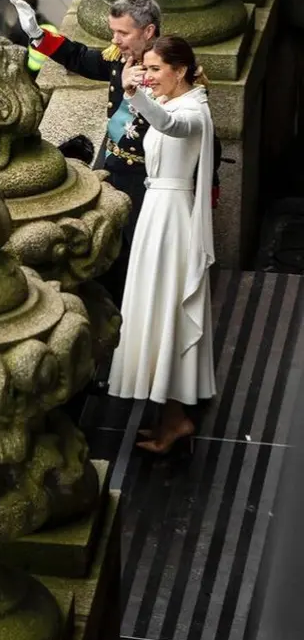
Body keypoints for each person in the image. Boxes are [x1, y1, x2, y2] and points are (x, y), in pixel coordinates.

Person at [11, 0, 160, 298]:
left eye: (123, 33)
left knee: (138, 254)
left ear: (148, 31)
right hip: (113, 164)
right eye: (113, 32)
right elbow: (82, 58)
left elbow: (189, 123)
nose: (115, 40)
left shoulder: (167, 68)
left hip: (148, 177)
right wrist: (38, 35)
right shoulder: (122, 57)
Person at [109, 36, 215, 454]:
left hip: (172, 219)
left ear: (180, 70)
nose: (149, 76)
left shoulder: (194, 111)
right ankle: (168, 418)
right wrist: (138, 94)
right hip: (156, 211)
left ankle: (175, 420)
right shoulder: (171, 102)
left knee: (169, 309)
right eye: (147, 68)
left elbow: (171, 127)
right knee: (156, 310)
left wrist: (135, 93)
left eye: (156, 69)